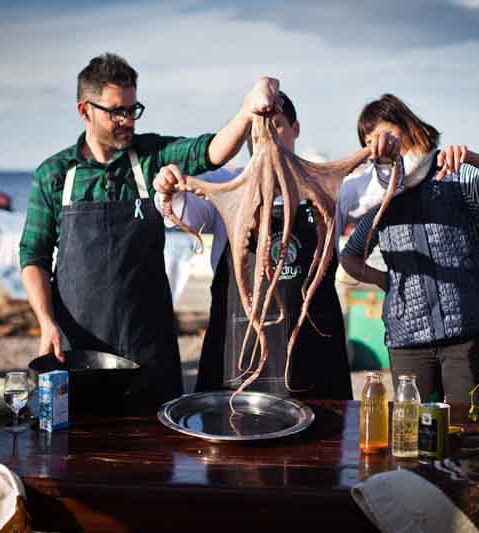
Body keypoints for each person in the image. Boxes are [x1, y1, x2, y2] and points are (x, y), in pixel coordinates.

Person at [19, 53, 280, 406]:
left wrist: (247, 110)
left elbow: (212, 151)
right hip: (78, 351)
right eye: (117, 112)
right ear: (85, 111)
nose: (128, 120)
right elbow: (33, 255)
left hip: (148, 350)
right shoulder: (54, 174)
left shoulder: (152, 156)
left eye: (132, 109)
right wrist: (46, 322)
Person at [152, 92, 373, 399]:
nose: (266, 136)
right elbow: (177, 210)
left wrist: (388, 155)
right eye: (258, 127)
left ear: (296, 129)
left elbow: (386, 185)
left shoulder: (332, 190)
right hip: (239, 349)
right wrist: (167, 188)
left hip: (313, 350)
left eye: (278, 125)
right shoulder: (224, 189)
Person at [339, 94, 479, 404]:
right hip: (407, 341)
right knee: (413, 434)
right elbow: (350, 256)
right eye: (368, 141)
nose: (378, 145)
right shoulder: (379, 198)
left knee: (470, 434)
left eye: (383, 134)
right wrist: (384, 280)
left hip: (468, 335)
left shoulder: (455, 173)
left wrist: (472, 157)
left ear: (408, 126)